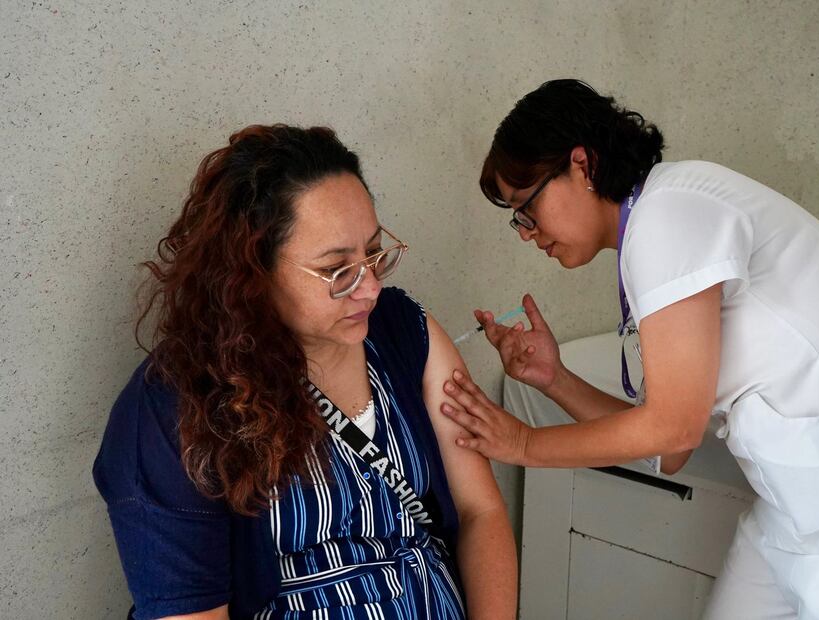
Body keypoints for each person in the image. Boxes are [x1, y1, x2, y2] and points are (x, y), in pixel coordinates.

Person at [439, 79, 819, 618]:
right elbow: (669, 450)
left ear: (581, 165)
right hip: (800, 502)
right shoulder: (655, 224)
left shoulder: (667, 215)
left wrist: (526, 445)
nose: (526, 234)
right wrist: (556, 378)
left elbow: (674, 428)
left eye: (525, 208)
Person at [93, 125, 517, 620]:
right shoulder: (174, 408)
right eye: (338, 271)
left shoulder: (402, 332)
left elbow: (479, 511)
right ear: (252, 270)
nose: (370, 289)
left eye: (374, 253)